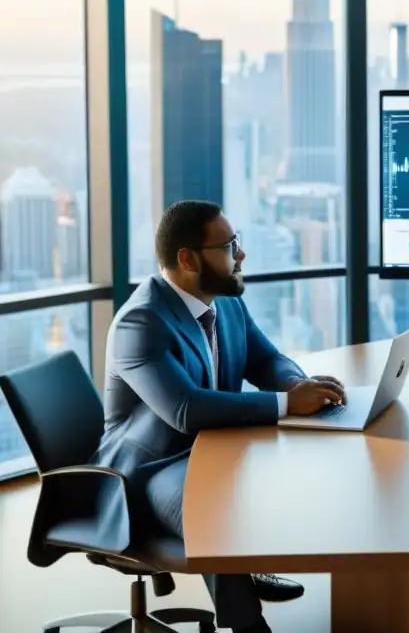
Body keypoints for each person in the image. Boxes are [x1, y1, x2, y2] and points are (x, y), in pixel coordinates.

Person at [92, 200, 347, 633]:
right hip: (152, 467)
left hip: (209, 451)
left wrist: (296, 386)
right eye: (229, 246)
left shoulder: (224, 303)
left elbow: (268, 360)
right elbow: (185, 410)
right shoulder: (142, 322)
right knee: (213, 511)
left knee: (273, 478)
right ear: (188, 259)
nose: (240, 255)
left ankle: (247, 566)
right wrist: (287, 405)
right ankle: (248, 625)